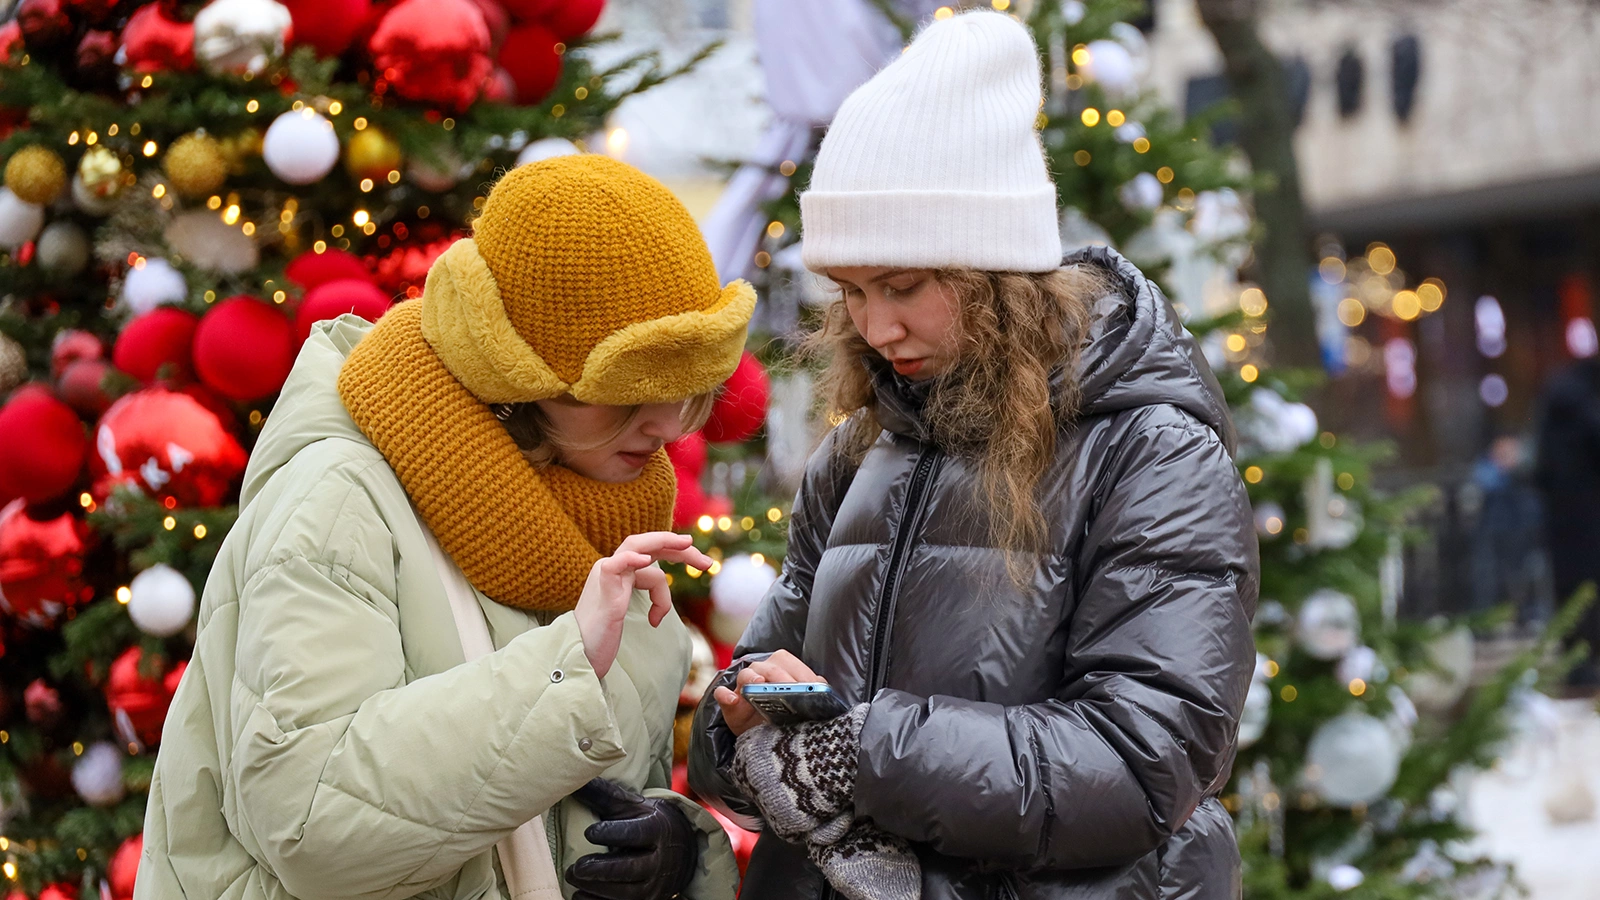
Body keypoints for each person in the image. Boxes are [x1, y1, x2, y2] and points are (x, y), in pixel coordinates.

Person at [688, 11, 1258, 900]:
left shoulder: (1151, 457)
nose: (877, 329)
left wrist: (860, 750)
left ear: (998, 273)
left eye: (906, 286)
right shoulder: (860, 448)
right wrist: (738, 727)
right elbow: (764, 683)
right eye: (853, 292)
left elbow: (1144, 763)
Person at [138, 156, 749, 900]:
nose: (665, 424)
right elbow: (309, 819)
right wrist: (559, 674)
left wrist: (678, 849)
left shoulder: (607, 504)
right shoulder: (341, 497)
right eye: (621, 389)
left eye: (688, 386)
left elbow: (561, 816)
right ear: (513, 366)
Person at [1534, 356, 1600, 688]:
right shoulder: (1585, 403)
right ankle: (1584, 663)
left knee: (1572, 592)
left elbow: (1540, 469)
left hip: (1563, 517)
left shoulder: (1558, 404)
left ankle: (1577, 661)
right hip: (1587, 514)